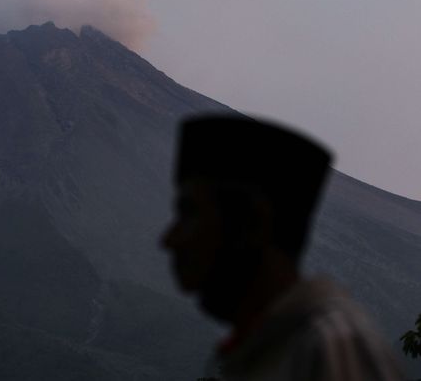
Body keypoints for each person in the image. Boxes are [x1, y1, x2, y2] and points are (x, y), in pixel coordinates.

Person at [160, 115, 403, 381]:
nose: (169, 239)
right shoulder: (276, 350)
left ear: (251, 223)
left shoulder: (329, 349)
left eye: (189, 214)